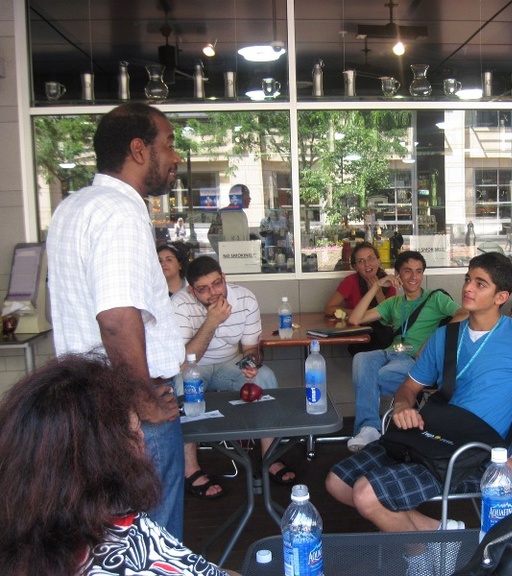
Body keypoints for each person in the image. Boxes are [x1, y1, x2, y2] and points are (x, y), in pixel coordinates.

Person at [326, 253, 512, 572]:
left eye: (480, 283)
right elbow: (409, 388)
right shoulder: (446, 336)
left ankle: (424, 557)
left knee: (366, 495)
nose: (468, 287)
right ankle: (437, 533)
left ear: (501, 297)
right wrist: (402, 406)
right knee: (336, 483)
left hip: (471, 452)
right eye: (468, 279)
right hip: (429, 432)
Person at [46, 103, 186, 538]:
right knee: (153, 540)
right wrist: (142, 401)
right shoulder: (120, 210)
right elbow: (116, 317)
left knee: (112, 539)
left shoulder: (74, 206)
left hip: (88, 401)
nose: (176, 156)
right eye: (169, 144)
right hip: (129, 405)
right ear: (139, 149)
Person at [0, 353, 238, 576]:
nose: (143, 438)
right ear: (105, 455)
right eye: (135, 431)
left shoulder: (18, 533)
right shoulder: (133, 548)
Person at [172, 255, 294, 493]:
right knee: (179, 385)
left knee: (265, 376)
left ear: (224, 278)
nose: (213, 293)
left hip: (230, 361)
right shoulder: (179, 304)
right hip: (193, 365)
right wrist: (212, 321)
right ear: (192, 290)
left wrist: (250, 362)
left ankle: (269, 457)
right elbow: (182, 359)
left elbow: (250, 349)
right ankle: (191, 469)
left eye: (217, 283)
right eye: (203, 289)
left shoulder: (245, 298)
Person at [345, 250, 468, 451]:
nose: (414, 277)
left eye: (419, 272)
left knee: (375, 377)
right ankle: (369, 429)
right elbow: (355, 319)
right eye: (408, 271)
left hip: (414, 358)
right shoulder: (393, 303)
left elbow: (464, 313)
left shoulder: (435, 298)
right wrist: (376, 284)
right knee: (361, 359)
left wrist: (432, 340)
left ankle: (369, 426)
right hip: (390, 352)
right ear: (398, 275)